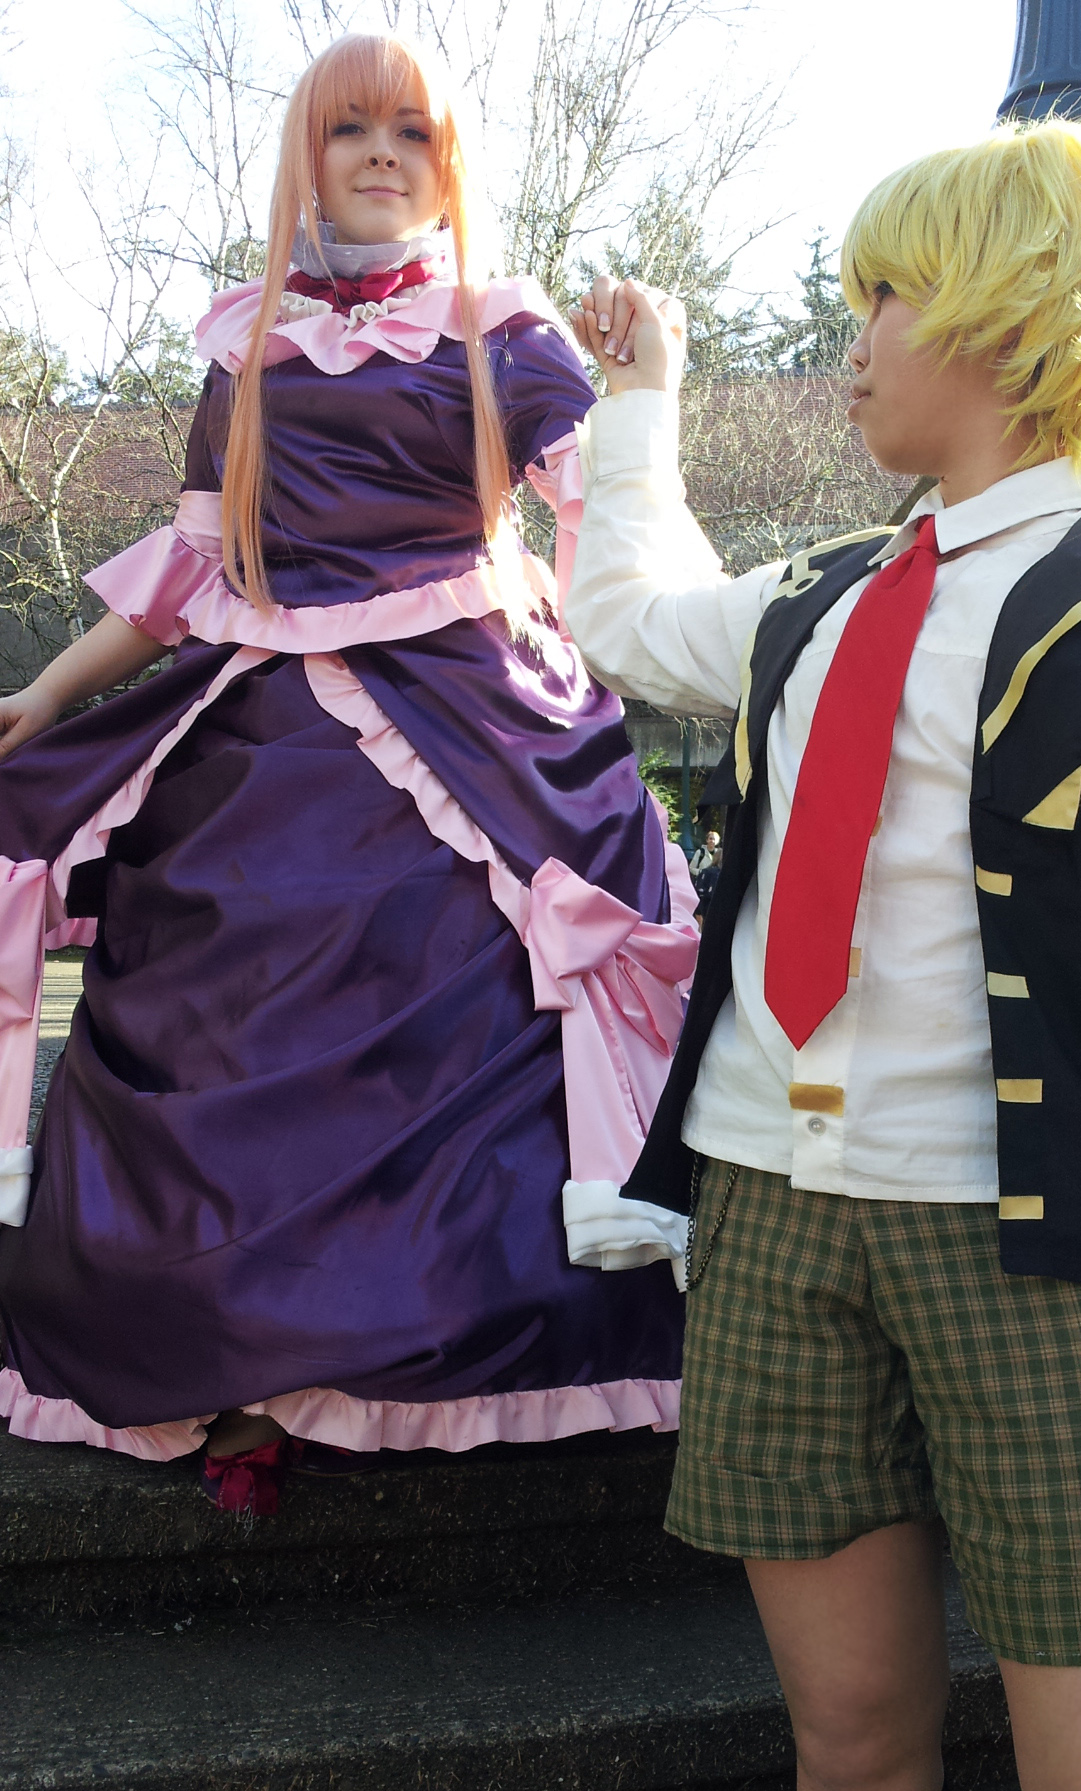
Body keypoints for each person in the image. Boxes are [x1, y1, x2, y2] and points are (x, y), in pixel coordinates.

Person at [565, 122, 1081, 1791]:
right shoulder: (816, 599)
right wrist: (640, 405)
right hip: (768, 1219)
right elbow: (624, 616)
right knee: (851, 1738)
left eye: (884, 297)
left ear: (1006, 310)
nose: (856, 341)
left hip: (1035, 1262)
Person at [0, 33, 695, 1515]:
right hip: (263, 727)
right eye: (350, 128)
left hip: (471, 714)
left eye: (412, 132)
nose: (382, 153)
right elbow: (192, 562)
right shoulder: (246, 345)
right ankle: (240, 1362)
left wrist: (644, 393)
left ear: (449, 163)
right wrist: (48, 692)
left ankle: (441, 1364)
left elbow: (606, 512)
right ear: (305, 156)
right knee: (220, 990)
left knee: (467, 992)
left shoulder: (503, 329)